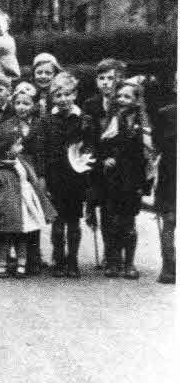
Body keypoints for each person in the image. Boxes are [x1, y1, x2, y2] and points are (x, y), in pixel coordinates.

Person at [40, 72, 93, 278]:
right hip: (55, 177)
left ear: (75, 94)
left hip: (76, 177)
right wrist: (43, 177)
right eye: (58, 95)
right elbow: (41, 150)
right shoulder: (46, 121)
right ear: (52, 98)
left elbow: (90, 147)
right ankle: (59, 257)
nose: (63, 99)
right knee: (57, 222)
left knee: (73, 220)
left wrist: (85, 166)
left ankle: (73, 260)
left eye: (67, 94)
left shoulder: (84, 120)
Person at [98, 80, 152, 279]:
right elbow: (102, 143)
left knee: (128, 222)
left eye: (127, 97)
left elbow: (147, 152)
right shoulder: (110, 119)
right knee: (112, 220)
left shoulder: (142, 122)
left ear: (136, 100)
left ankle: (129, 263)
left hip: (133, 178)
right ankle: (113, 261)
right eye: (119, 96)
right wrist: (106, 157)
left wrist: (145, 182)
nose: (122, 100)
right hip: (113, 177)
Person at [0, 127, 56, 278]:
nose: (21, 147)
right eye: (17, 144)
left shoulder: (23, 164)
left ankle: (21, 265)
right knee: (5, 238)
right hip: (7, 208)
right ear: (5, 149)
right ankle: (1, 264)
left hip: (25, 206)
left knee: (23, 237)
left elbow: (33, 181)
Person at [83, 58, 127, 266]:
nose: (106, 83)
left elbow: (128, 137)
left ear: (119, 80)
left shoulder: (125, 102)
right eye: (102, 78)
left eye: (111, 78)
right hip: (99, 164)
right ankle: (110, 253)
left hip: (122, 164)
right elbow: (88, 137)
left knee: (120, 210)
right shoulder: (91, 105)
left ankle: (122, 253)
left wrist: (116, 157)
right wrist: (97, 159)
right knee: (104, 209)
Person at [154, 101, 175, 284]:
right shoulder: (165, 113)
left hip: (170, 175)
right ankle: (169, 267)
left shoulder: (165, 113)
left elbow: (157, 143)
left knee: (169, 222)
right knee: (169, 221)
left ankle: (169, 269)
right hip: (170, 175)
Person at [31, 53, 62, 117]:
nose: (43, 76)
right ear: (33, 74)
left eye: (48, 73)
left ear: (55, 75)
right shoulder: (30, 93)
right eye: (39, 73)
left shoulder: (60, 94)